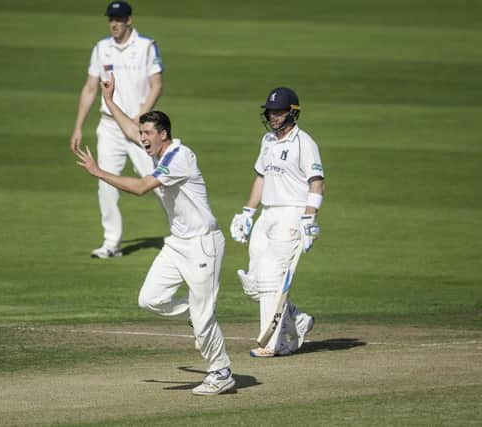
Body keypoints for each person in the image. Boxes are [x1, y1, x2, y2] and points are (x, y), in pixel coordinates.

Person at [75, 74, 235, 396]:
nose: (142, 139)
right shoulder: (159, 150)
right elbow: (131, 130)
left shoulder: (179, 157)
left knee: (205, 320)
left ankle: (221, 372)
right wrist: (108, 101)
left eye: (148, 134)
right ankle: (195, 311)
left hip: (204, 244)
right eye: (143, 134)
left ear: (163, 135)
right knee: (150, 299)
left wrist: (98, 172)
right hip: (178, 244)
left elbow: (140, 188)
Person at [230, 87, 325, 357]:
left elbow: (316, 182)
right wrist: (248, 212)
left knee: (272, 274)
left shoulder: (304, 143)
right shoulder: (267, 141)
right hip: (267, 214)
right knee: (254, 284)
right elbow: (261, 177)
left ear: (293, 113)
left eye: (279, 112)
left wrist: (309, 217)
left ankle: (274, 343)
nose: (273, 116)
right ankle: (297, 320)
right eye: (270, 111)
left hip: (293, 213)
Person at [70, 1, 164, 258]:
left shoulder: (146, 46)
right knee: (105, 182)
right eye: (111, 18)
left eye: (119, 19)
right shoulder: (102, 48)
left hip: (139, 128)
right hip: (109, 126)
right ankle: (111, 243)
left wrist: (143, 113)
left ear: (129, 20)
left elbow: (156, 84)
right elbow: (90, 88)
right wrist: (78, 126)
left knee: (157, 180)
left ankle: (181, 233)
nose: (114, 23)